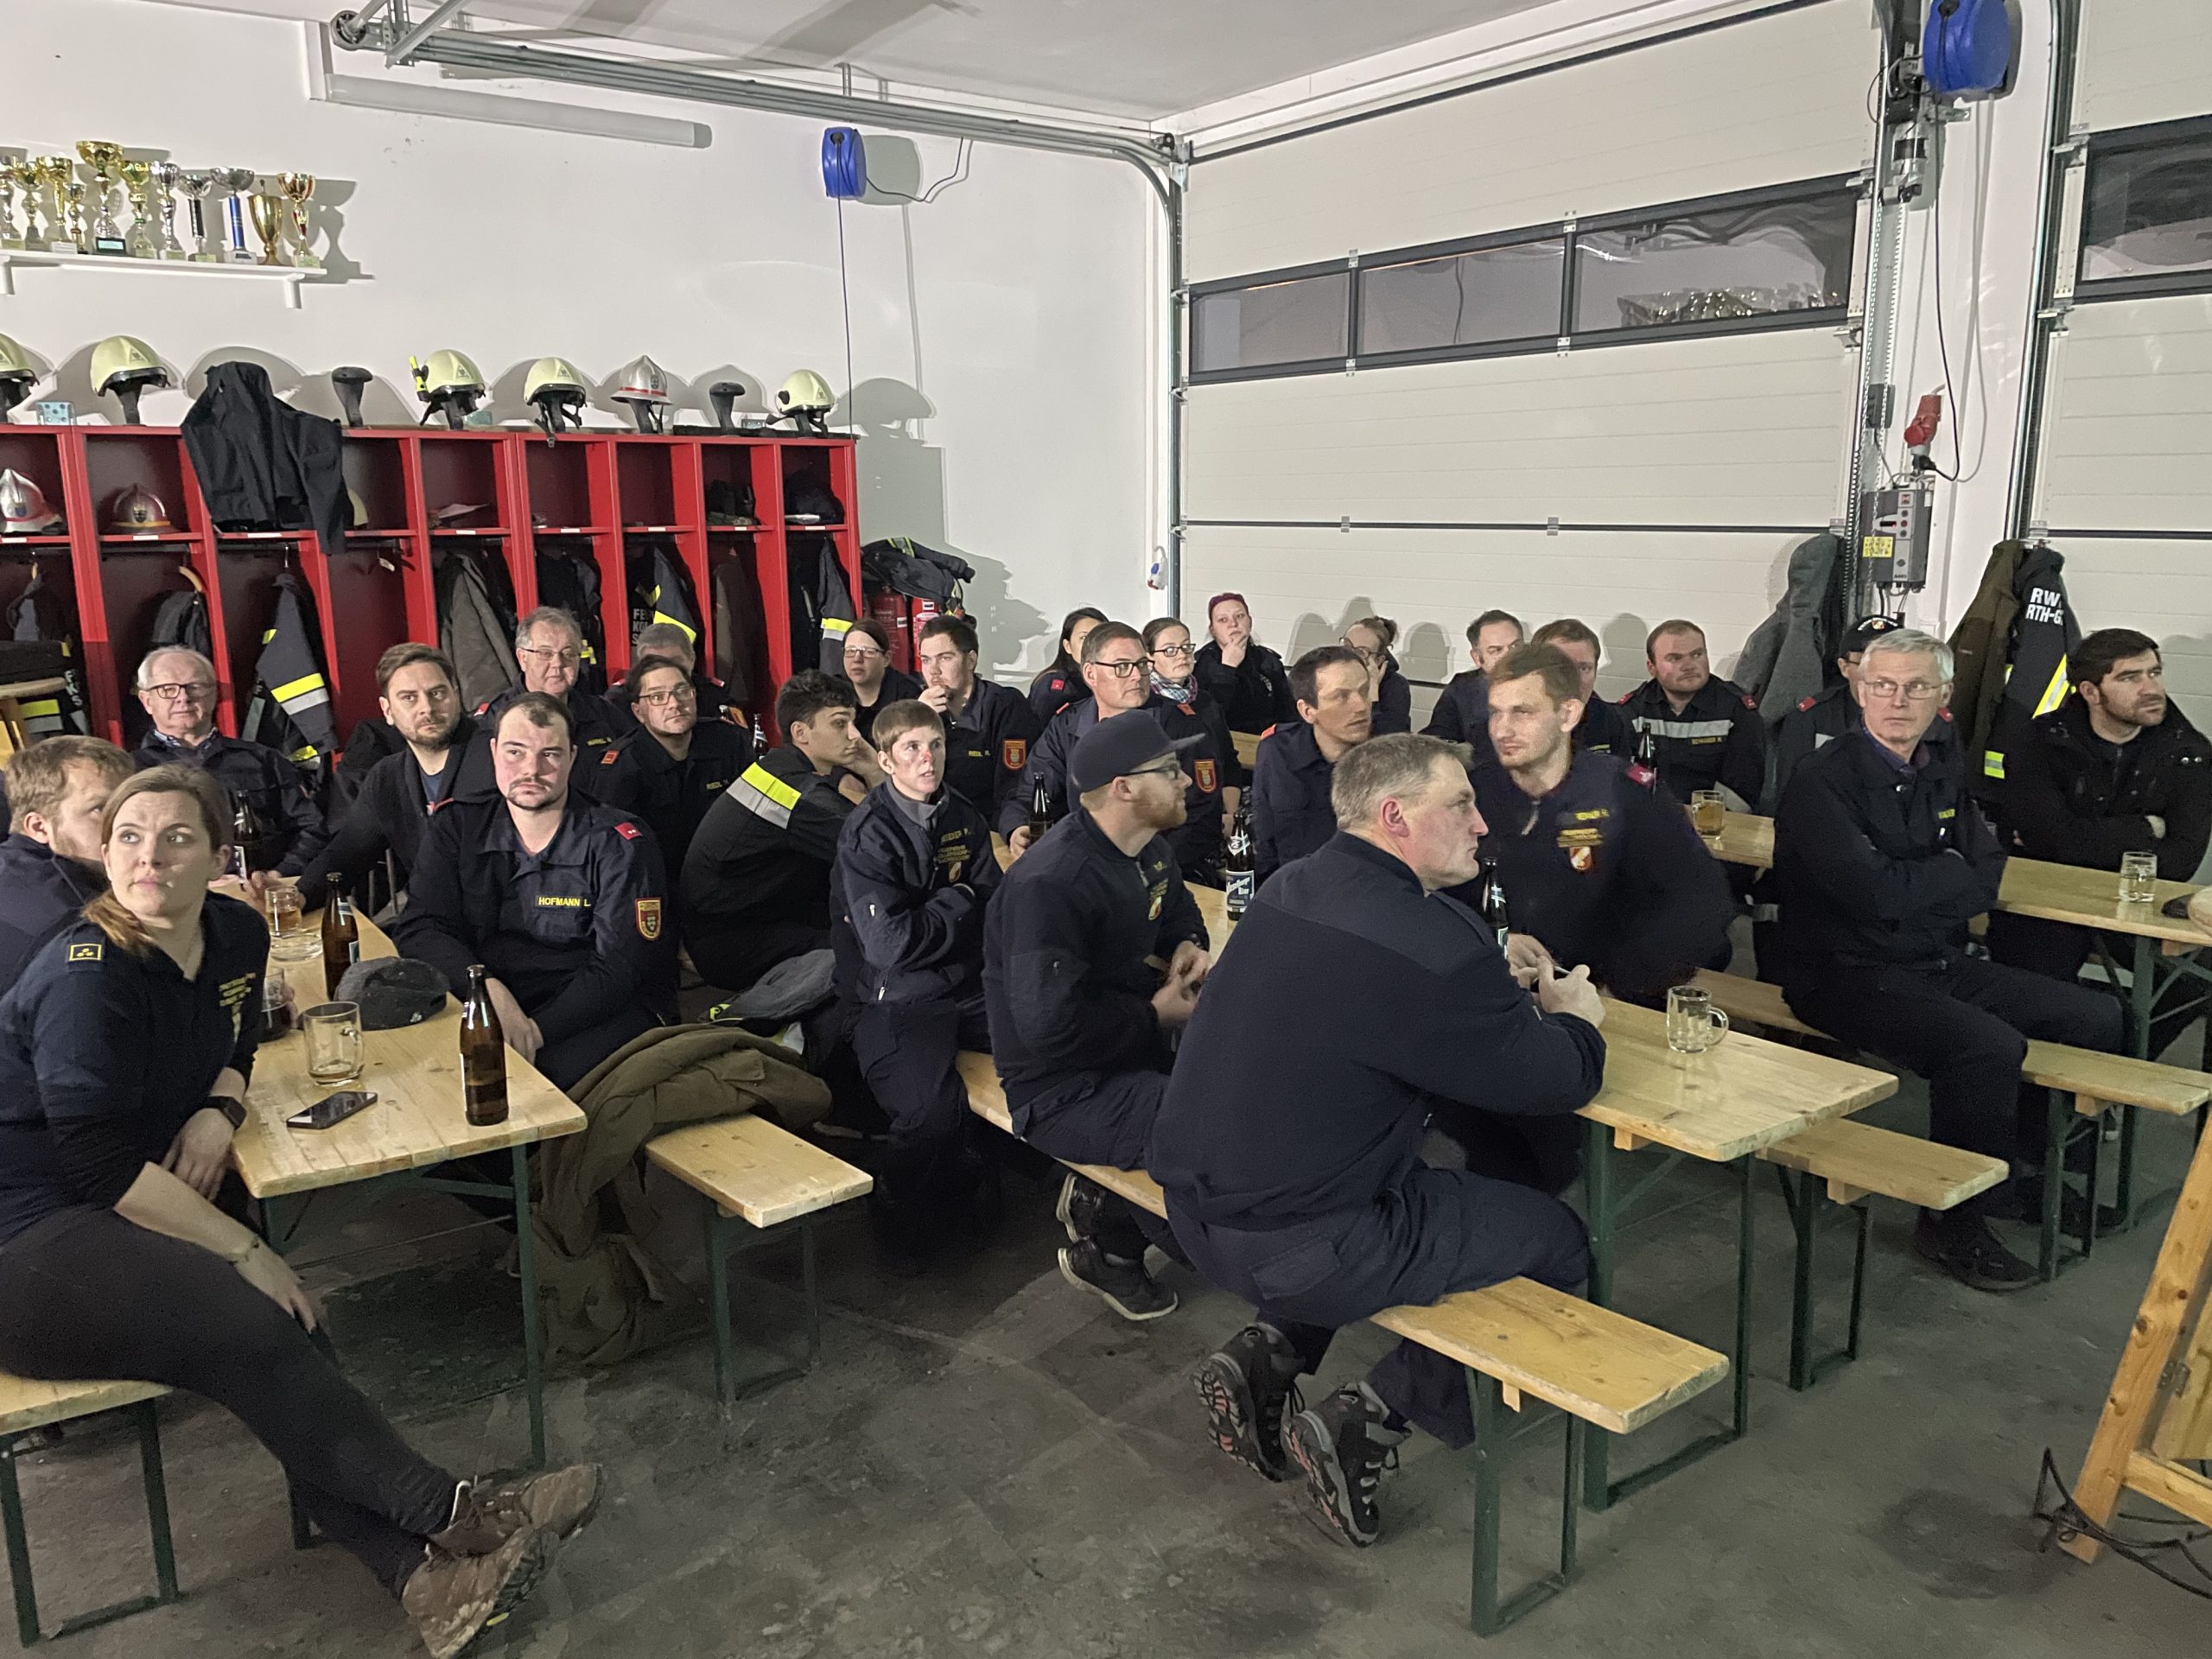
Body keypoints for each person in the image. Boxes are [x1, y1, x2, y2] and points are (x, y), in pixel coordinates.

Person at [0, 766, 602, 1659]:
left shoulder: (237, 932)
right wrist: (243, 1248)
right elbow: (98, 1166)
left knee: (284, 1338)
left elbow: (241, 1034)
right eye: (127, 836)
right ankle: (467, 1517)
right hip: (27, 1234)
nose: (148, 857)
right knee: (251, 1319)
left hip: (114, 1202)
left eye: (176, 837)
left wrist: (220, 1105)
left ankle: (426, 1583)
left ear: (220, 855)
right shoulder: (85, 974)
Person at [1148, 734, 1605, 1548]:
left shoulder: (1291, 885)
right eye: (1460, 805)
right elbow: (1557, 1079)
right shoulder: (1434, 943)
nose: (1481, 824)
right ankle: (1373, 1416)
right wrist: (1577, 1020)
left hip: (1192, 1215)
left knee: (1418, 1166)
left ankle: (1270, 1351)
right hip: (1299, 1247)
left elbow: (1379, 1000)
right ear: (1395, 817)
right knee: (1557, 1242)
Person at [1773, 630, 2125, 1292]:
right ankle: (1952, 1223)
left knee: (2095, 1016)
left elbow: (1988, 868)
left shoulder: (1939, 761)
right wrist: (1945, 875)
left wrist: (1929, 884)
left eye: (1916, 687)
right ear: (1860, 690)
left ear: (1944, 694)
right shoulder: (1822, 780)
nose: (1897, 700)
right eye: (1883, 685)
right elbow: (1874, 896)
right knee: (1985, 1047)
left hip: (1931, 956)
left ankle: (2013, 1177)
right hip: (1841, 974)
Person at [984, 711, 1211, 1321]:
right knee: (1216, 1131)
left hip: (1132, 1052)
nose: (1186, 779)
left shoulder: (1146, 847)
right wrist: (1153, 1016)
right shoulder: (1051, 885)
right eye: (1169, 770)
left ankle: (1107, 1230)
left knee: (1258, 1076)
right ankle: (1163, 1246)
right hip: (1064, 1090)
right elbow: (1048, 1030)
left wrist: (1187, 943)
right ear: (1124, 789)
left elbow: (1177, 909)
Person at [394, 695, 675, 1092]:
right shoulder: (457, 828)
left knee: (522, 1089)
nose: (531, 769)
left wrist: (532, 1032)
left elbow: (618, 970)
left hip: (593, 1012)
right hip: (488, 1000)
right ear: (494, 752)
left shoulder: (620, 843)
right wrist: (487, 990)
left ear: (572, 758)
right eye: (516, 752)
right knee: (414, 1076)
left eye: (550, 755)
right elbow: (421, 927)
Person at [1989, 628, 2212, 1055]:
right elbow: (2050, 838)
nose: (2151, 688)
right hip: (2045, 900)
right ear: (2091, 691)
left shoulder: (2189, 752)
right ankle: (2042, 1082)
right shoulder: (2039, 740)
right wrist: (2145, 829)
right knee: (2037, 991)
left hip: (2137, 904)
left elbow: (2181, 860)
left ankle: (2110, 1068)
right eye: (2130, 677)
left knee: (2196, 981)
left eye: (2154, 673)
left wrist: (2074, 840)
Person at [831, 700, 1001, 1255]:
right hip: (894, 999)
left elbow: (996, 907)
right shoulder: (868, 835)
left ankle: (991, 1176)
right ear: (885, 760)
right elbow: (890, 947)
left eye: (936, 745)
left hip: (965, 983)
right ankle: (896, 1210)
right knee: (930, 1113)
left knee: (1052, 1039)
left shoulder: (963, 817)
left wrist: (948, 912)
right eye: (911, 748)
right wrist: (960, 898)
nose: (928, 759)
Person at [1476, 645, 1731, 1003]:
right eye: (1495, 713)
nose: (1503, 729)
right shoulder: (1472, 792)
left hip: (1602, 991)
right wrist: (1492, 940)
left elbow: (1700, 899)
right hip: (1495, 983)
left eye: (1523, 712)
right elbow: (1433, 897)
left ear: (1568, 714)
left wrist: (1622, 984)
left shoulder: (1624, 792)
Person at [682, 671, 882, 995]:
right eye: (839, 724)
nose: (854, 735)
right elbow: (878, 848)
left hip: (753, 919)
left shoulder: (780, 769)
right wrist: (875, 771)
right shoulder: (796, 792)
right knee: (869, 951)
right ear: (800, 733)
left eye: (852, 722)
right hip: (735, 940)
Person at [1003, 622, 1235, 885]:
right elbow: (1030, 791)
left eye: (1142, 664)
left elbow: (1202, 819)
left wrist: (1137, 865)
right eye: (1122, 667)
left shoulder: (1181, 726)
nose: (1137, 676)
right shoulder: (1067, 724)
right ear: (1090, 673)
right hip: (1082, 865)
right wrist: (1017, 827)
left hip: (1163, 870)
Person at [295, 644, 494, 909]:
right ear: (387, 711)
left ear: (456, 695)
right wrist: (299, 895)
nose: (427, 708)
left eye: (437, 693)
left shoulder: (499, 756)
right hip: (435, 917)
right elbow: (348, 852)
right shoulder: (388, 777)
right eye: (409, 698)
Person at [130, 646, 327, 875]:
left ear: (214, 694)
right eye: (167, 689)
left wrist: (279, 874)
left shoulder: (264, 759)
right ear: (147, 701)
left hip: (258, 888)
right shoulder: (130, 770)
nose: (183, 698)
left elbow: (311, 828)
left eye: (195, 687)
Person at [592, 652, 751, 885]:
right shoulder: (621, 767)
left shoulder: (729, 741)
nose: (675, 704)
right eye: (658, 697)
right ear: (638, 711)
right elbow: (613, 852)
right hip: (658, 884)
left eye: (682, 691)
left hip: (726, 879)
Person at [0, 736, 133, 992]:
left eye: (129, 804)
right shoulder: (72, 922)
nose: (129, 823)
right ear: (39, 827)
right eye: (101, 809)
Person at [1764, 615, 1916, 810]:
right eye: (1866, 662)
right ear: (1844, 668)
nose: (1880, 673)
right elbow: (1791, 797)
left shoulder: (1927, 719)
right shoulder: (1812, 718)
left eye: (1892, 662)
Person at [1251, 645, 1371, 887]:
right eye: (1341, 696)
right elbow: (1266, 843)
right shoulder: (1278, 752)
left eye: (1364, 691)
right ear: (1308, 711)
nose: (1361, 706)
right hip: (1293, 891)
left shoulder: (1387, 759)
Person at [473, 607, 632, 780]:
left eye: (568, 653)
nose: (558, 663)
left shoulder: (604, 714)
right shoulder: (492, 720)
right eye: (545, 653)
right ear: (522, 658)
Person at [1620, 620, 1766, 806]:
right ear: (1652, 668)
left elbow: (1744, 791)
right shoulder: (1633, 710)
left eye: (1697, 654)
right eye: (1675, 658)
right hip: (1648, 814)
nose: (1689, 665)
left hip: (1716, 817)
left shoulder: (1736, 710)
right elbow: (1619, 774)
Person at [914, 613, 1042, 822]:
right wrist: (918, 720)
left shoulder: (1005, 706)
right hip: (932, 823)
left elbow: (1014, 787)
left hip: (989, 826)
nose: (933, 670)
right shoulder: (917, 707)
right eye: (926, 660)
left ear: (971, 660)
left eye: (945, 658)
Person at [1193, 593, 1297, 736]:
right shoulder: (1200, 665)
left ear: (1250, 622)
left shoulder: (1268, 661)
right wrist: (1227, 669)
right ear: (1213, 630)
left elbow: (1289, 714)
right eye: (1223, 620)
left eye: (1240, 616)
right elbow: (1207, 718)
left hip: (1267, 741)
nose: (1233, 624)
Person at [1423, 609, 1523, 754]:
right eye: (1496, 650)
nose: (1510, 656)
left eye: (1515, 646)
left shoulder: (1545, 683)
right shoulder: (1463, 689)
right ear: (1477, 658)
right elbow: (1439, 741)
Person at [1528, 618, 1630, 756]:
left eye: (1584, 669)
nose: (1576, 679)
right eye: (1563, 668)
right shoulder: (1515, 720)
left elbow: (1621, 768)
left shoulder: (1609, 718)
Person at [614, 621, 736, 727]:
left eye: (675, 663)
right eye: (656, 664)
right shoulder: (618, 702)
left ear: (692, 660)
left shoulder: (714, 695)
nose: (666, 671)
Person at [841, 618, 922, 746]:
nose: (857, 659)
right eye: (850, 651)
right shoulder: (834, 693)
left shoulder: (908, 695)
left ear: (886, 659)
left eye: (868, 652)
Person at [1027, 607, 1107, 726]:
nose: (1092, 644)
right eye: (1084, 638)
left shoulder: (1111, 680)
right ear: (1067, 646)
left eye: (1099, 637)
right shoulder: (1055, 685)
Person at [1342, 616, 1410, 736]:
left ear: (1378, 661)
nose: (1349, 655)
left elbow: (1386, 739)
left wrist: (1372, 690)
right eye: (1347, 646)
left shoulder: (1395, 686)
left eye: (1361, 652)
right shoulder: (1325, 674)